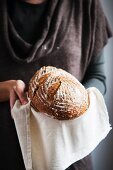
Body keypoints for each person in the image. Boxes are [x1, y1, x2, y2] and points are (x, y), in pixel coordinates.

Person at [0, 0, 112, 169]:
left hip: (71, 159)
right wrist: (4, 89)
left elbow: (97, 76)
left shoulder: (85, 5)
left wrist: (77, 99)